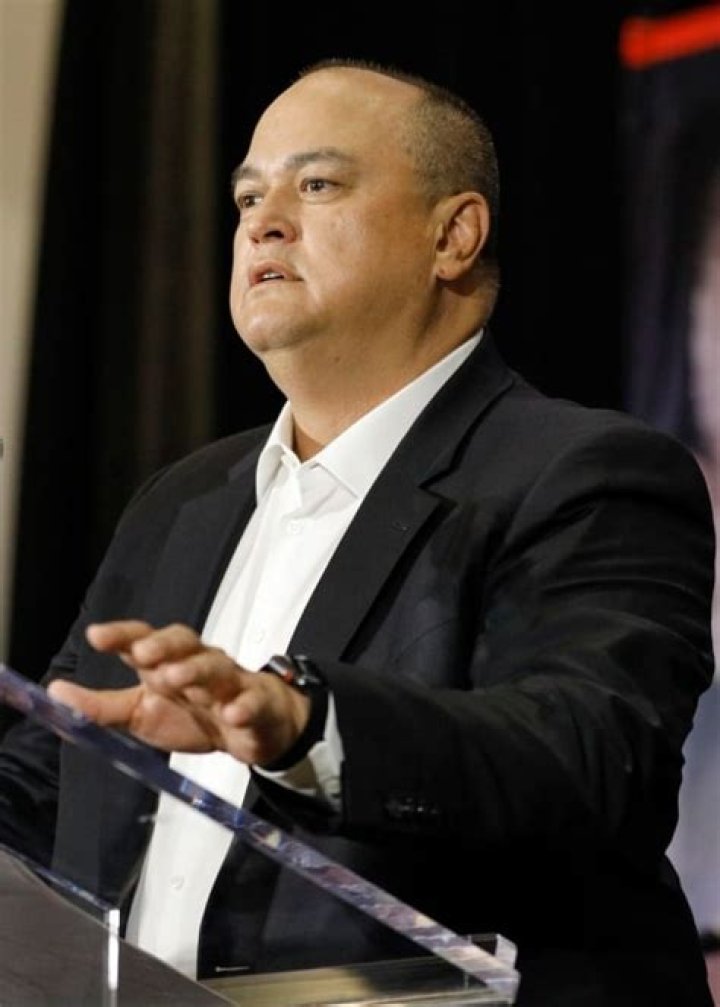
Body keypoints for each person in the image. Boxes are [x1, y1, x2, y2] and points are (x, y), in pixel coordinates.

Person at [0, 58, 716, 1007]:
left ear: (453, 235)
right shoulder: (180, 502)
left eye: (317, 185)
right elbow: (54, 778)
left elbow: (587, 756)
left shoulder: (586, 473)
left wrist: (307, 725)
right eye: (247, 197)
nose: (263, 221)